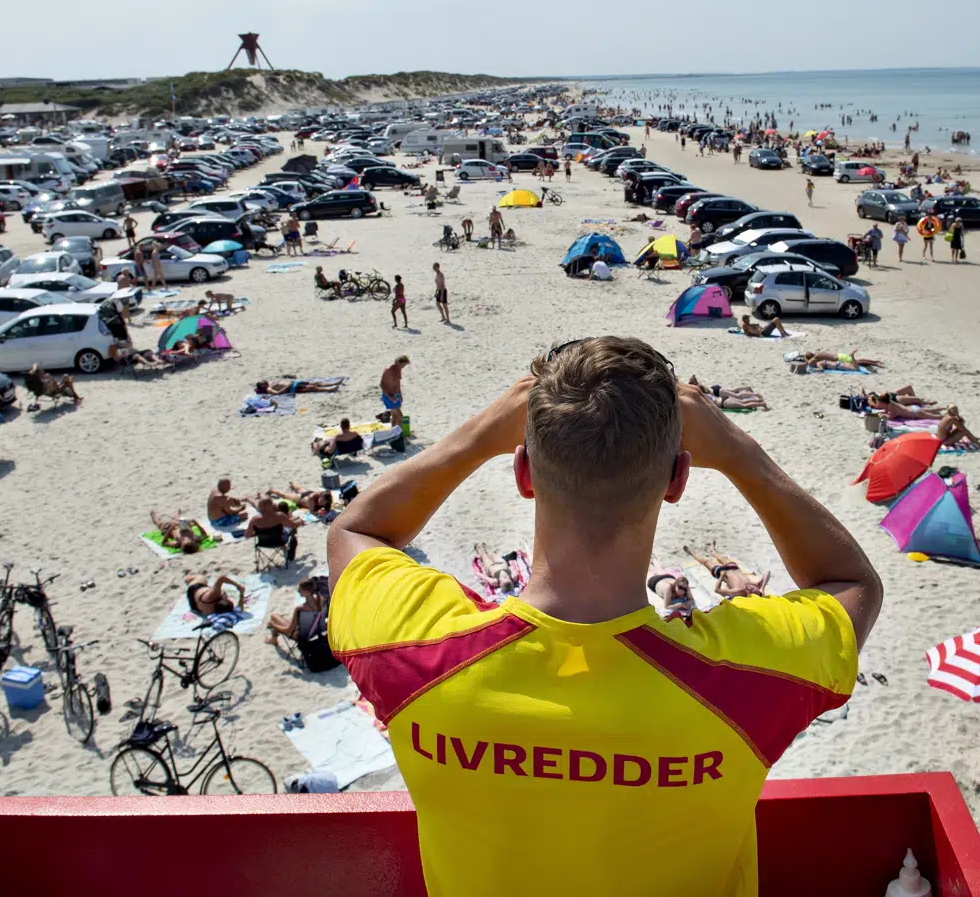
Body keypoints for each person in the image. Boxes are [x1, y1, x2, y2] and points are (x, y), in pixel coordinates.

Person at [325, 337, 881, 897]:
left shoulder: (413, 649)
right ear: (677, 482)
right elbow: (853, 584)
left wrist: (479, 435)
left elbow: (356, 531)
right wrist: (742, 454)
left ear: (524, 474)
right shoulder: (746, 677)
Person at [685, 543, 771, 598]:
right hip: (734, 568)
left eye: (751, 589)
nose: (751, 587)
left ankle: (692, 553)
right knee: (723, 558)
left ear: (748, 594)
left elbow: (717, 590)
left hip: (723, 573)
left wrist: (722, 577)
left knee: (706, 562)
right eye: (754, 588)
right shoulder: (756, 586)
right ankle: (712, 551)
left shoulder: (738, 591)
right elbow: (767, 572)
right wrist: (762, 588)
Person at [267, 577, 325, 645]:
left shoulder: (300, 608)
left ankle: (273, 640)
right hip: (313, 631)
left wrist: (274, 625)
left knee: (273, 618)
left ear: (307, 592)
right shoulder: (321, 601)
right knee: (275, 617)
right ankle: (273, 638)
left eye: (300, 590)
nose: (298, 591)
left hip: (300, 636)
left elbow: (289, 630)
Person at [687, 376, 767, 411]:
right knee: (739, 397)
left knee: (743, 403)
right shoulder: (702, 388)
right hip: (721, 397)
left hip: (723, 402)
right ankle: (759, 401)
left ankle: (760, 403)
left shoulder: (703, 395)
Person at [266, 483, 335, 516]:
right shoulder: (312, 498)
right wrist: (317, 513)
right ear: (320, 496)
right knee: (284, 495)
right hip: (300, 499)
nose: (321, 503)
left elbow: (328, 509)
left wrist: (325, 511)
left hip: (307, 495)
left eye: (323, 502)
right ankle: (272, 491)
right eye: (321, 500)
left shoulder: (327, 501)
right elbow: (311, 510)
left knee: (300, 490)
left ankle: (292, 484)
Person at [381, 356, 410, 427]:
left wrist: (400, 395)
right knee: (400, 415)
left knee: (395, 416)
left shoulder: (398, 369)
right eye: (403, 365)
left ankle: (393, 430)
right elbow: (382, 385)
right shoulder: (389, 370)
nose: (403, 367)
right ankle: (400, 433)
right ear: (398, 362)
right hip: (389, 396)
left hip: (396, 395)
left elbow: (397, 383)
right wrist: (390, 397)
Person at [256, 378, 344, 395]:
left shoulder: (270, 383)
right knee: (312, 388)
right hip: (292, 388)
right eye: (262, 382)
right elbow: (278, 393)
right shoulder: (269, 389)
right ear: (262, 386)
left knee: (315, 383)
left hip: (295, 383)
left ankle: (334, 383)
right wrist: (287, 387)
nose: (264, 381)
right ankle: (330, 390)